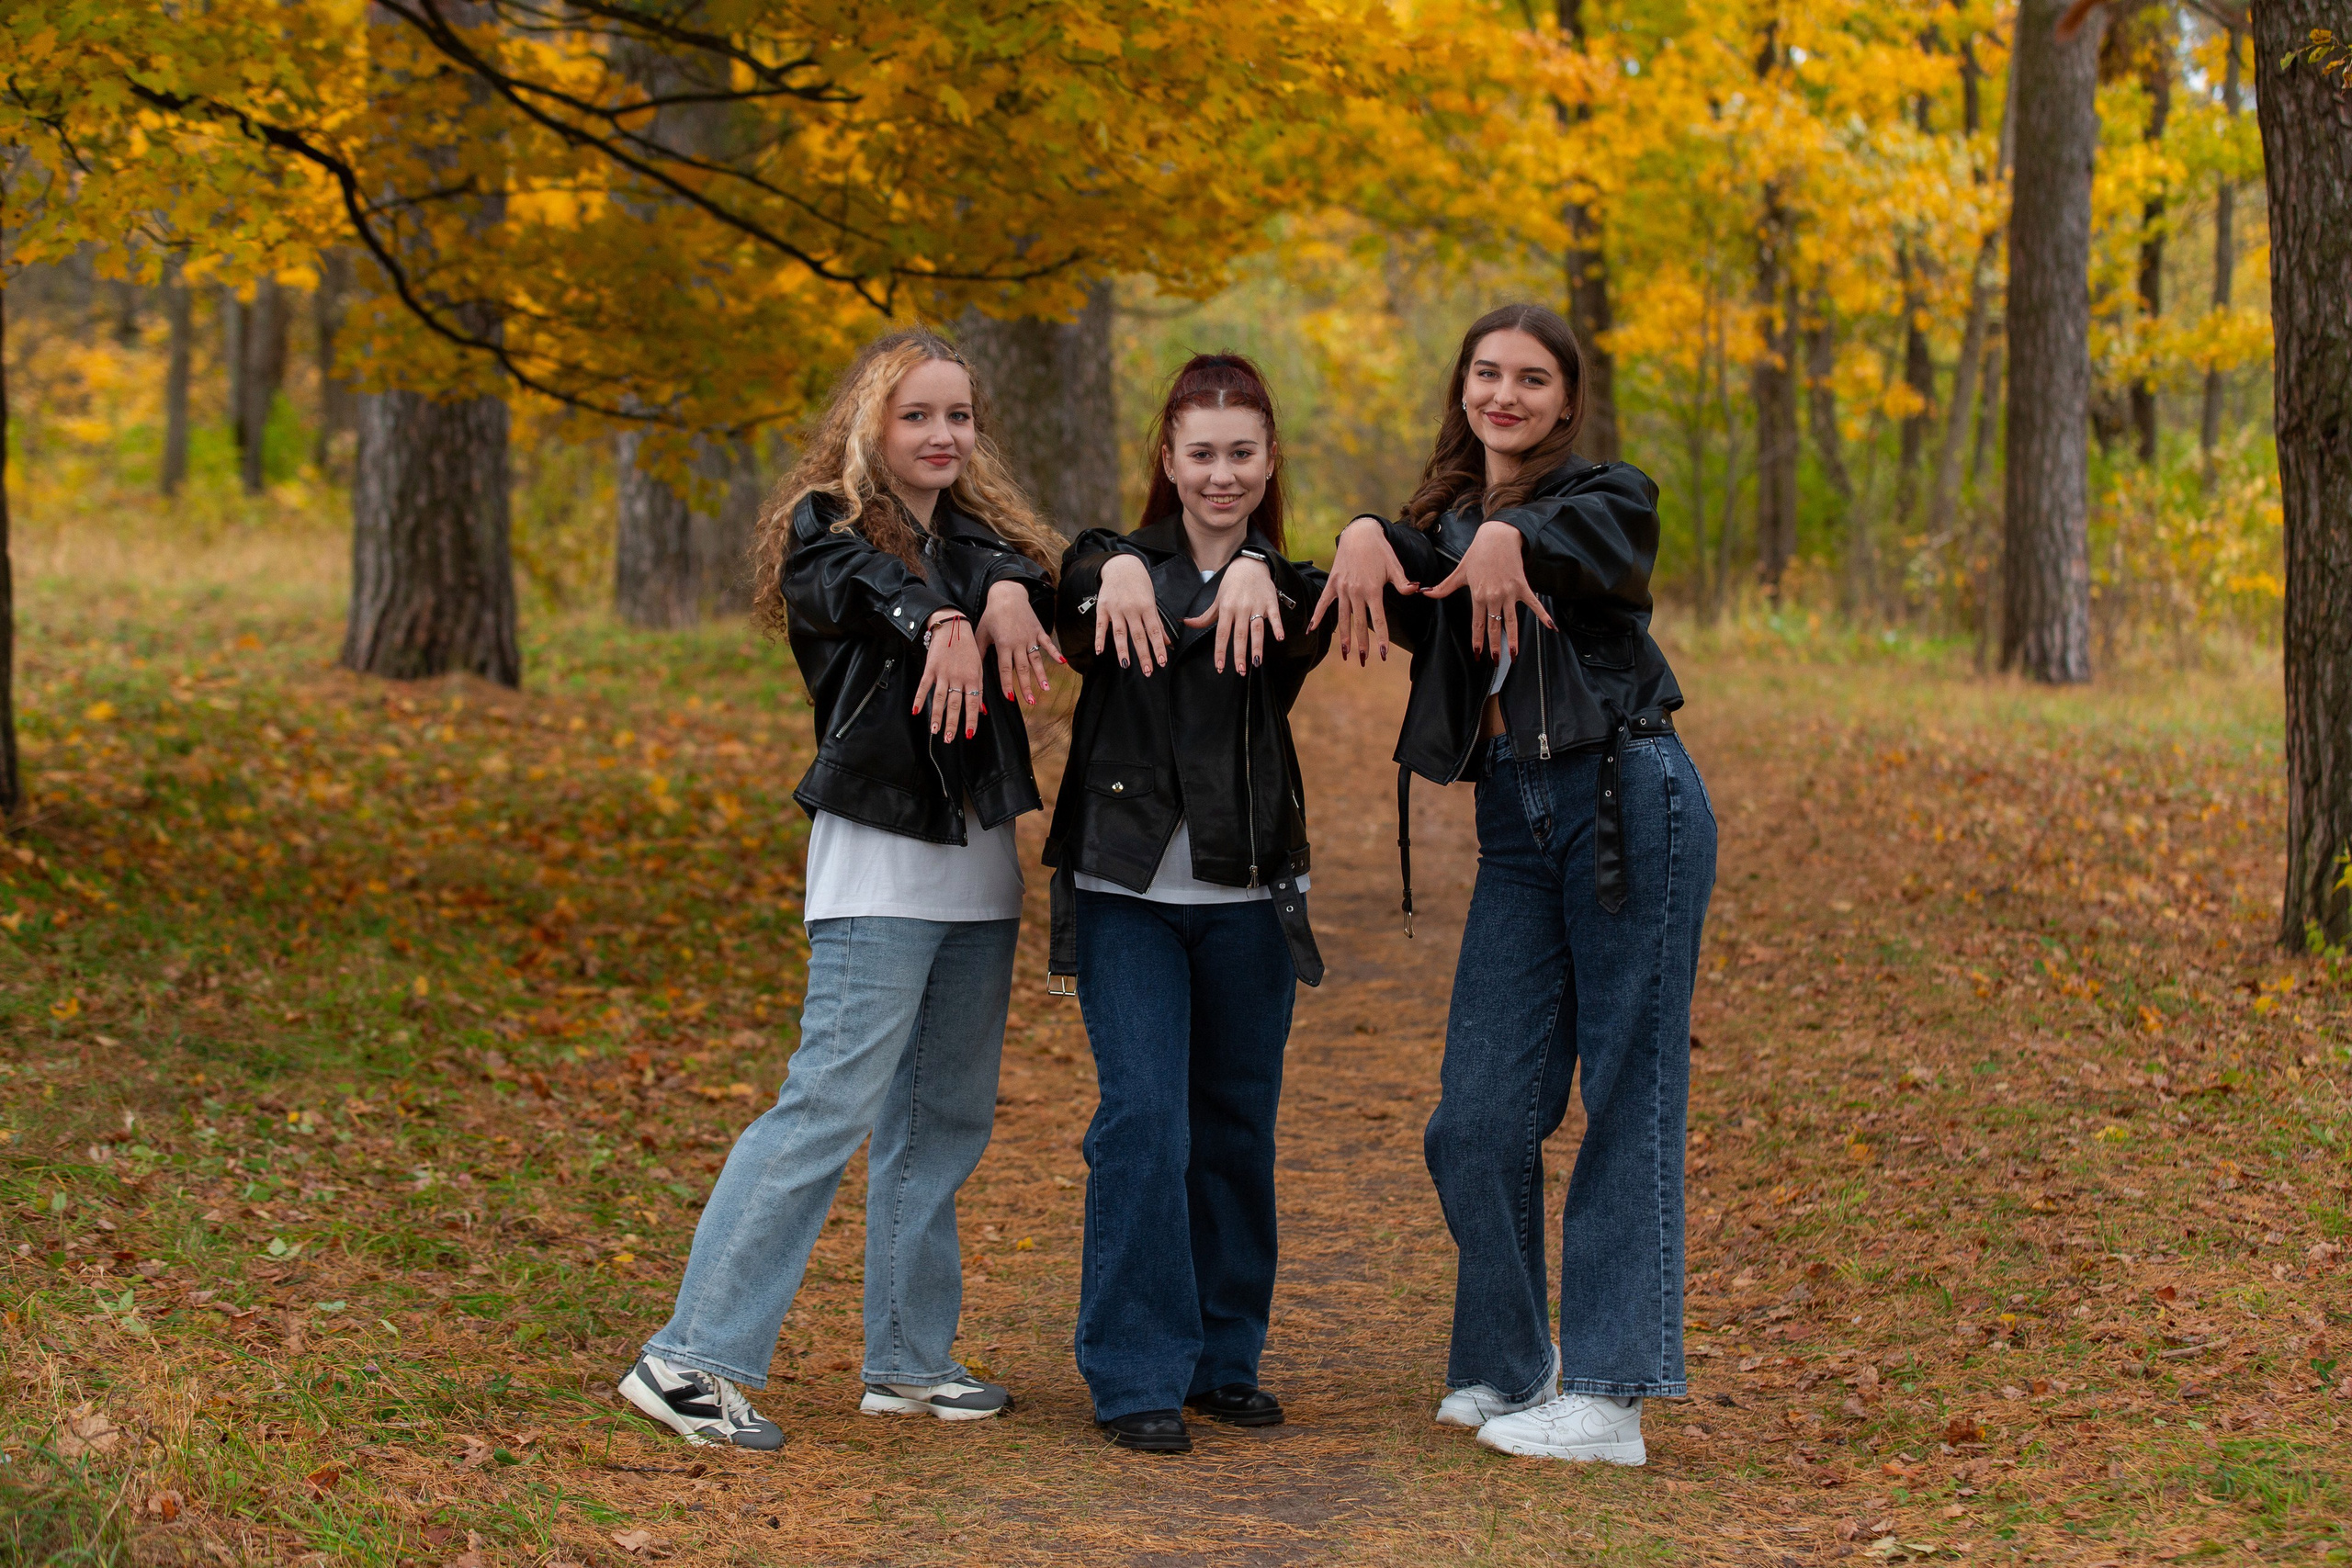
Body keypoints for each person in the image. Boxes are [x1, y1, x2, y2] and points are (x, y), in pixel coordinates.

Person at [617, 328, 1067, 1449]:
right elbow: (865, 591)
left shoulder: (984, 542)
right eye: (917, 415)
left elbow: (1045, 580)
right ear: (871, 424)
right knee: (824, 1107)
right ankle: (688, 1358)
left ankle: (908, 1361)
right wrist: (948, 617)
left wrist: (1008, 590)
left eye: (958, 416)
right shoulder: (828, 533)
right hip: (875, 869)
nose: (942, 435)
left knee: (942, 1120)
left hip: (978, 873)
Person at [1309, 303, 1715, 1465]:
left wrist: (1512, 538)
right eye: (1486, 373)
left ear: (1565, 401)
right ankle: (1511, 1361)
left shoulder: (1610, 495)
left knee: (1626, 1093)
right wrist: (1354, 528)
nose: (1506, 394)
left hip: (1627, 799)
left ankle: (1607, 1394)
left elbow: (1588, 544)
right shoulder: (1442, 523)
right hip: (1515, 819)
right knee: (1475, 1121)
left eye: (1531, 379)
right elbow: (1399, 566)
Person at [1043, 354, 1335, 1454]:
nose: (1221, 473)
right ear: (1167, 460)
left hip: (1251, 896)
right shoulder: (1104, 568)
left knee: (1232, 1126)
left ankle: (1223, 1358)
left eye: (1241, 454)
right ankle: (1133, 1372)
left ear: (1267, 465)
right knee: (1143, 1122)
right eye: (1200, 453)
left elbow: (1317, 611)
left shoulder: (1292, 589)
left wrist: (1262, 570)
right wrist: (1116, 559)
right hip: (1125, 893)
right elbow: (1062, 597)